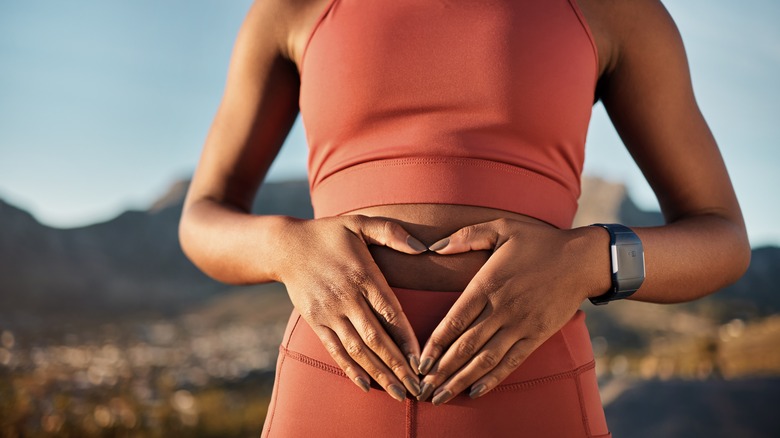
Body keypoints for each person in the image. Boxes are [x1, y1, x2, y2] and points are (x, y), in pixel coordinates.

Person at [178, 0, 750, 436]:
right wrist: (287, 248)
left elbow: (721, 235)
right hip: (329, 393)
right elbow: (203, 217)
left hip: (531, 392)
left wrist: (588, 260)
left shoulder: (617, 11)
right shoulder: (294, 8)